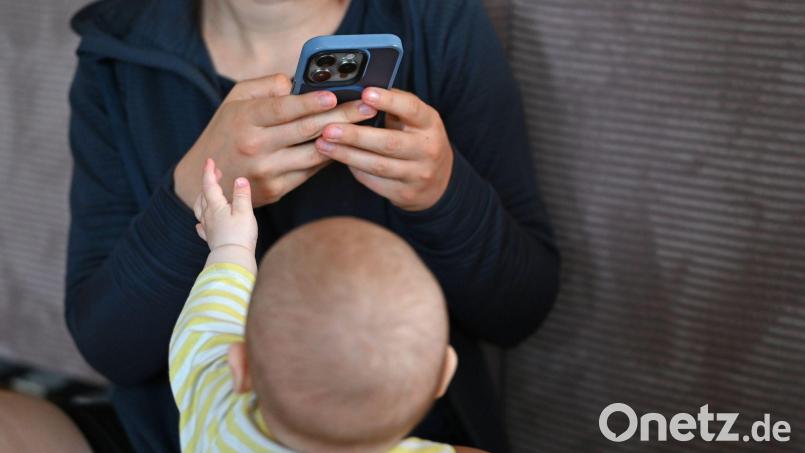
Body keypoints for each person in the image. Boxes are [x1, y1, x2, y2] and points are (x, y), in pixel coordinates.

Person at [62, 0, 560, 451]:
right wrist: (189, 190)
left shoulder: (433, 19)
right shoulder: (116, 49)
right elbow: (110, 348)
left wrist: (443, 194)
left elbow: (519, 310)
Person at [170, 158, 484, 453]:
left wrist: (231, 245)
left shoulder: (216, 406)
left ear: (240, 367)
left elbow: (213, 316)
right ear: (444, 374)